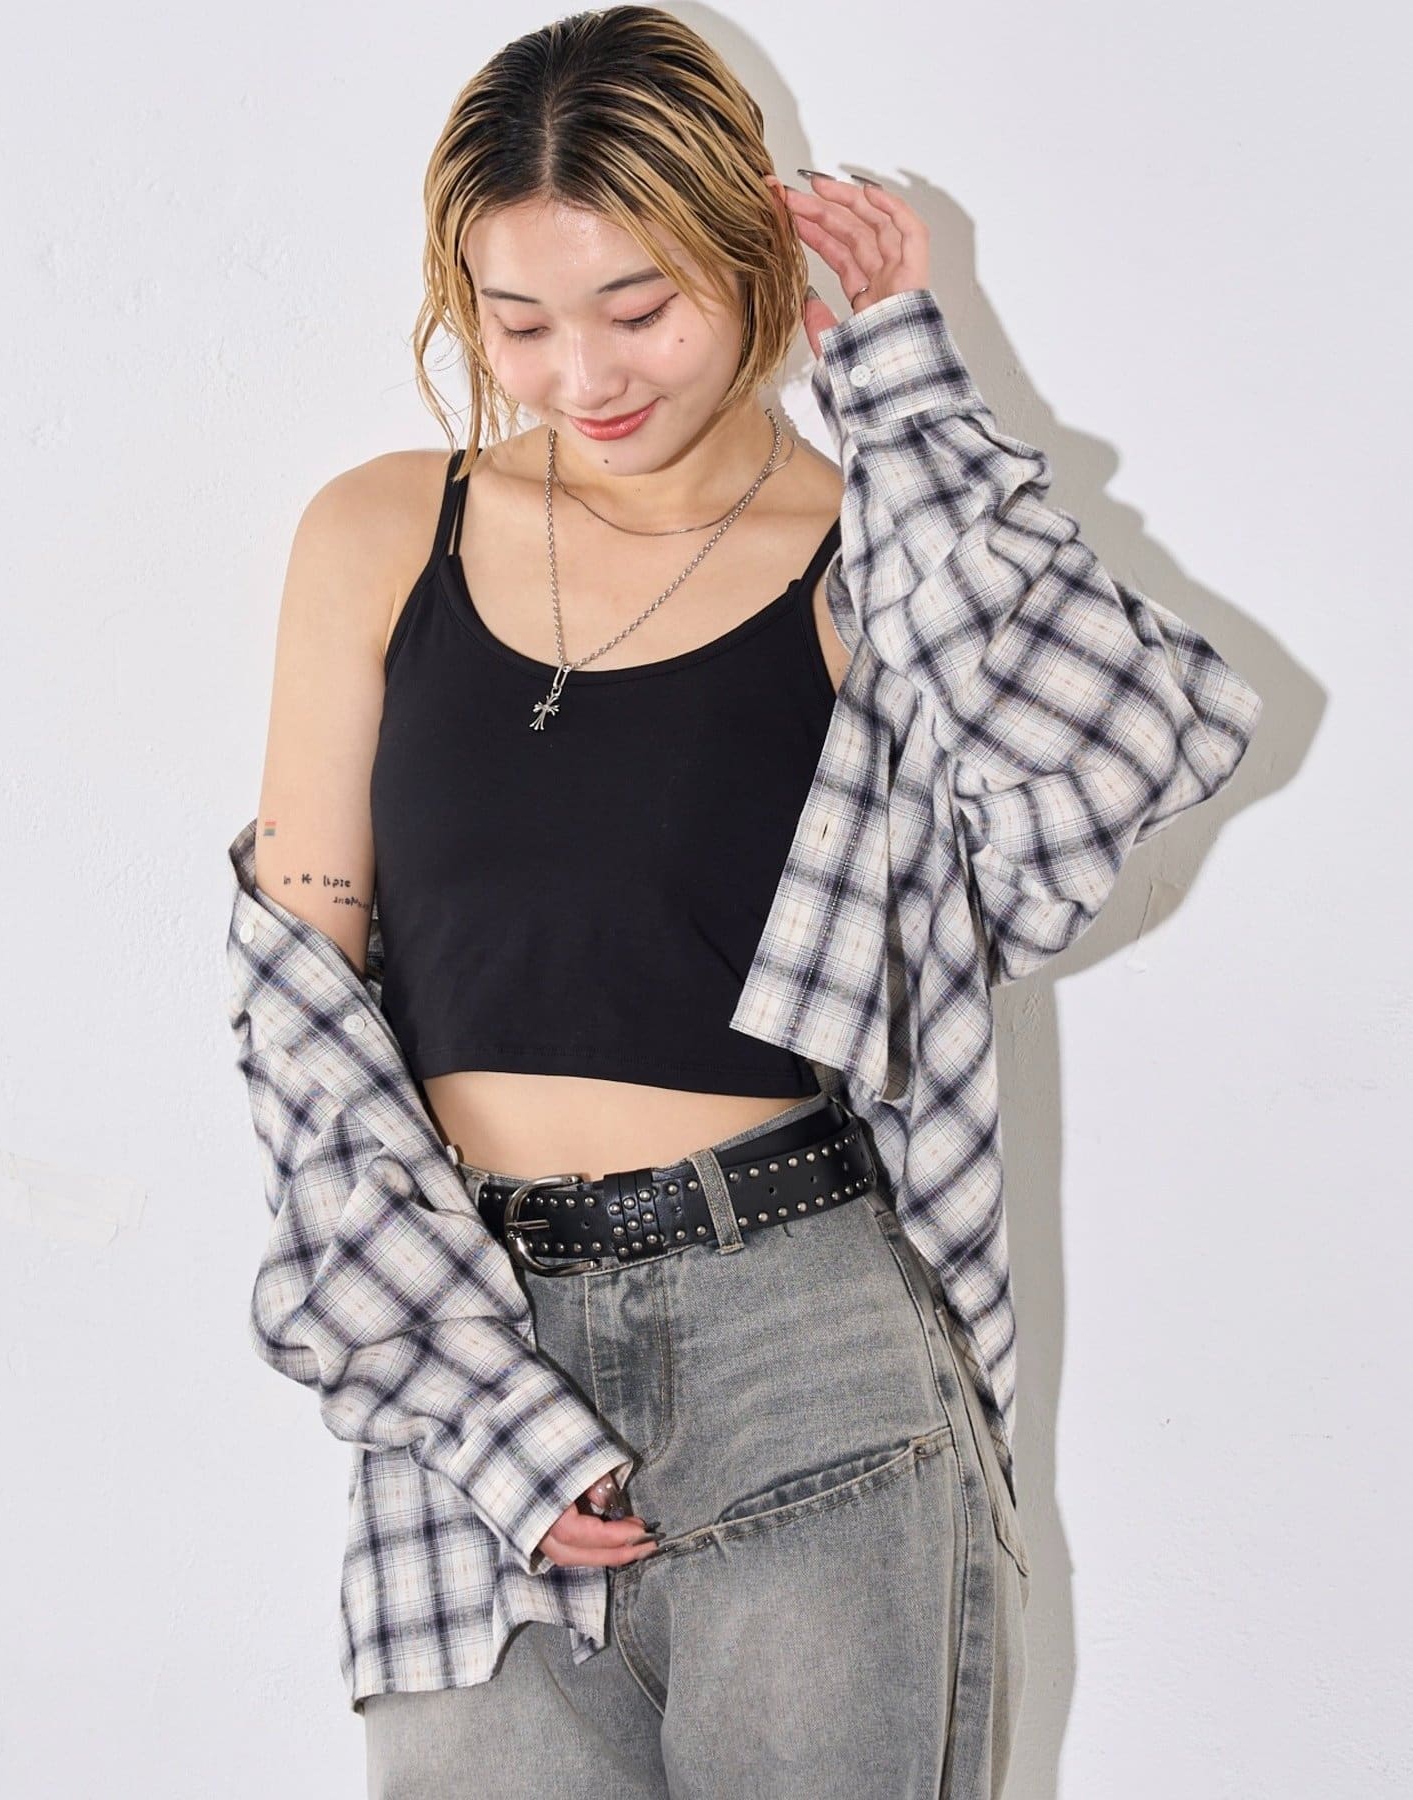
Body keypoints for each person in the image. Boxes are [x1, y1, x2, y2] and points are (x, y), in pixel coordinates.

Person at [225, 8, 1261, 1797]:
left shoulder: (871, 563)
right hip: (465, 1334)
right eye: (519, 322)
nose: (582, 374)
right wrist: (477, 1396)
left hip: (805, 1346)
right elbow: (297, 1018)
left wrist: (912, 397)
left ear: (748, 256)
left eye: (639, 307)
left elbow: (1108, 769)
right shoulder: (382, 534)